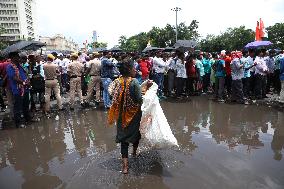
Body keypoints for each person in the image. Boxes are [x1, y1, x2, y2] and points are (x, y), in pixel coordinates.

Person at [108, 59, 150, 174]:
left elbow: (111, 94)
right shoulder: (134, 82)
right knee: (136, 135)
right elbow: (139, 99)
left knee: (123, 140)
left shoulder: (116, 82)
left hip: (121, 115)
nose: (135, 70)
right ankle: (135, 152)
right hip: (134, 115)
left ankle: (125, 167)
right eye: (133, 68)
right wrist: (146, 89)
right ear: (129, 70)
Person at [6, 52, 31, 128]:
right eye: (17, 57)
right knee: (18, 107)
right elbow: (14, 78)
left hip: (25, 89)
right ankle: (18, 123)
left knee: (26, 105)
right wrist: (23, 82)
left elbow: (25, 74)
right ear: (13, 58)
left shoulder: (20, 66)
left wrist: (28, 80)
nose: (19, 58)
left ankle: (27, 119)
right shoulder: (9, 67)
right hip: (17, 90)